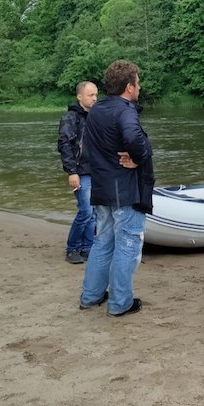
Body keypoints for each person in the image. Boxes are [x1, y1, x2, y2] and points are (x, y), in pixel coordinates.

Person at [78, 60, 154, 317]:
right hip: (125, 188)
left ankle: (91, 296)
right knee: (128, 244)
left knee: (102, 242)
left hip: (102, 187)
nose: (139, 87)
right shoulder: (125, 110)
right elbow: (133, 138)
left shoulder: (96, 109)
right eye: (138, 82)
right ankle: (120, 302)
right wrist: (140, 158)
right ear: (129, 86)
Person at [58, 81, 99, 264]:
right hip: (80, 171)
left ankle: (87, 248)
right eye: (91, 95)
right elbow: (64, 145)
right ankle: (72, 248)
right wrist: (71, 171)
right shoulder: (70, 118)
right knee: (85, 211)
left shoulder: (96, 117)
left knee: (94, 213)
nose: (95, 98)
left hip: (97, 171)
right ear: (79, 96)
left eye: (96, 95)